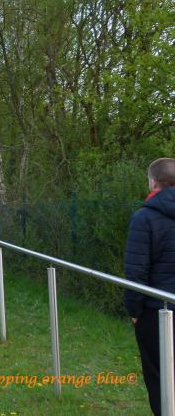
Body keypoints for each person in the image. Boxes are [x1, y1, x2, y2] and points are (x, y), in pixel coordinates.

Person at [125, 158, 175, 416]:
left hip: (157, 311)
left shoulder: (145, 217)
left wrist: (134, 310)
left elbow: (136, 271)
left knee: (159, 378)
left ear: (153, 182)